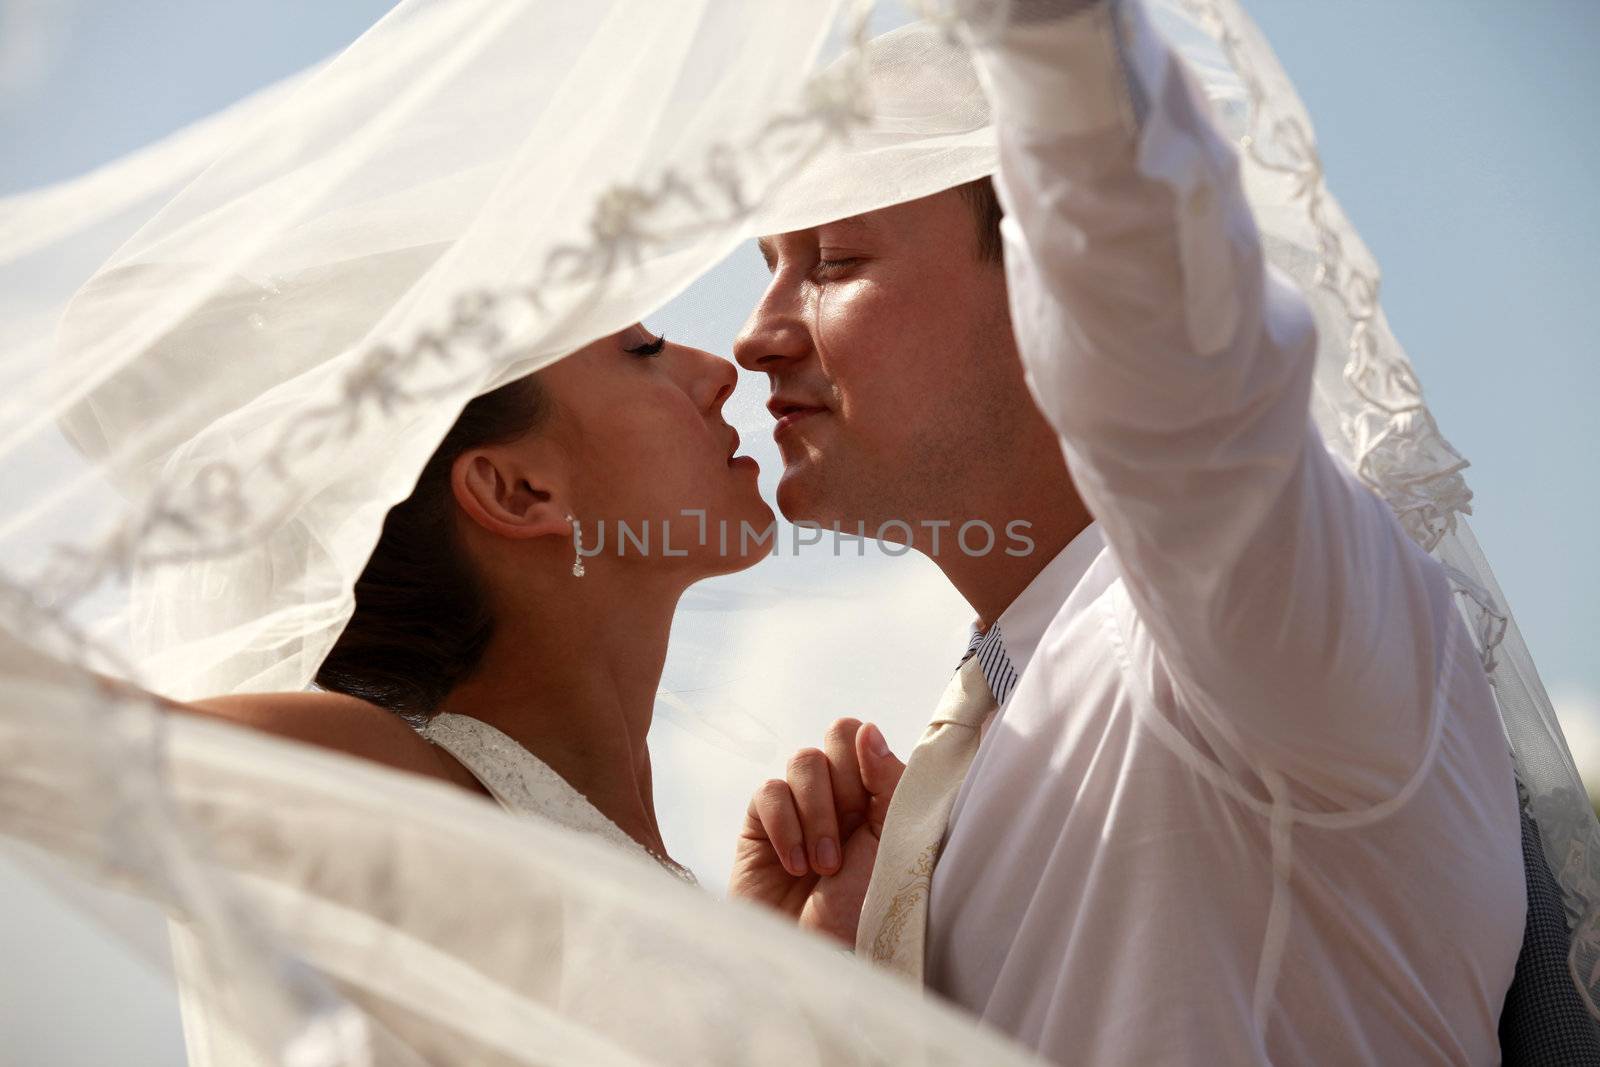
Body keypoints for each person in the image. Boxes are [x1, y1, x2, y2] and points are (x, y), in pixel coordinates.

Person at [725, 1, 1530, 1062]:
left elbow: (1166, 309)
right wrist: (804, 996)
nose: (753, 336)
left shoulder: (1266, 628)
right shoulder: (939, 773)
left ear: (1047, 277)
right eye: (765, 268)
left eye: (829, 260)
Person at [179, 323, 773, 879]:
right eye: (643, 352)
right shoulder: (392, 786)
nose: (722, 370)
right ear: (516, 492)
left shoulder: (641, 852)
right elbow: (99, 753)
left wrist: (800, 951)